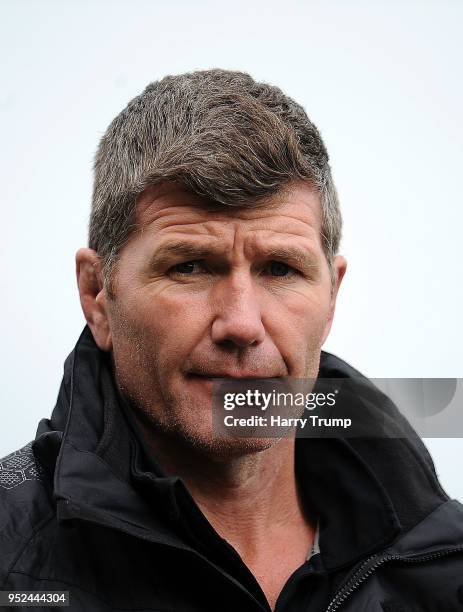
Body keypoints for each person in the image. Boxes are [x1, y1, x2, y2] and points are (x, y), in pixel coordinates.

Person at [1, 69, 462, 612]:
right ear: (98, 292)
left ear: (332, 296)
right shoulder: (15, 563)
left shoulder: (443, 561)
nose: (242, 324)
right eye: (190, 266)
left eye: (281, 269)